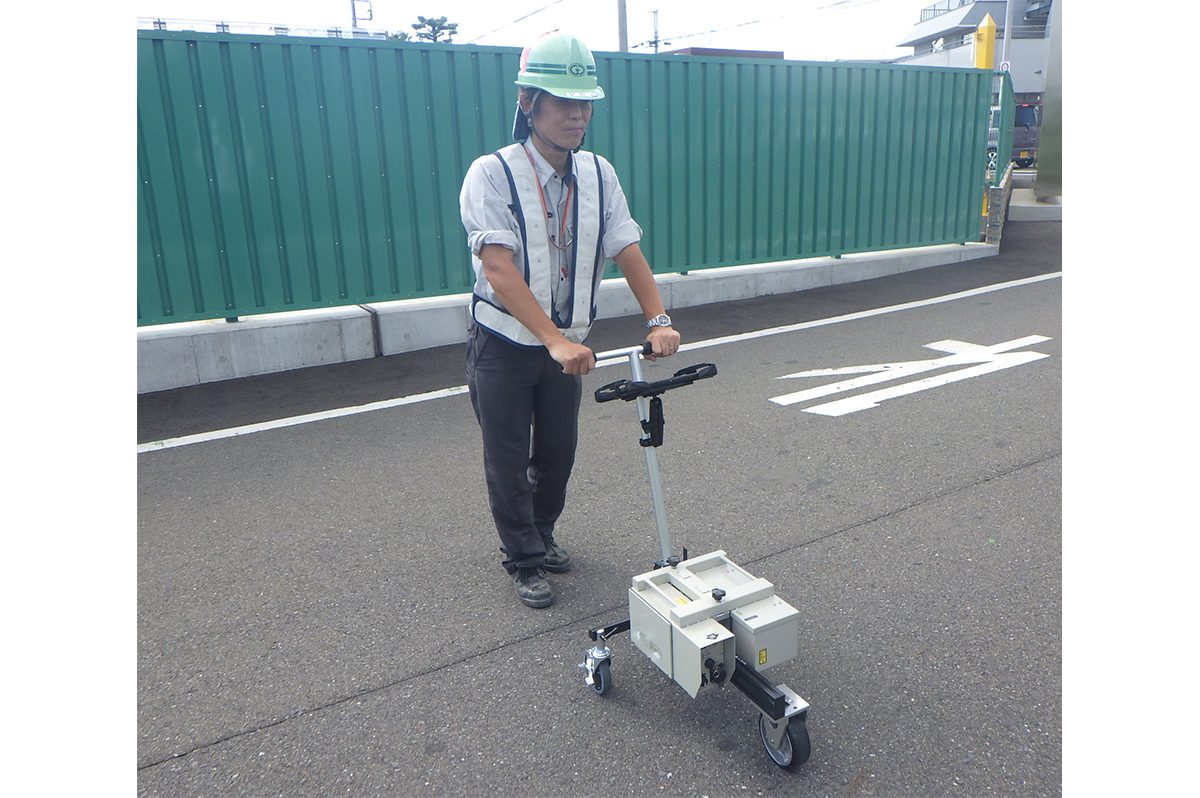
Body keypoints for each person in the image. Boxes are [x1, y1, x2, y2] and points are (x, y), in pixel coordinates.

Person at [459, 30, 681, 609]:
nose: (577, 115)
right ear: (528, 103)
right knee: (507, 456)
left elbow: (626, 249)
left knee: (557, 451)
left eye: (584, 103)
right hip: (505, 343)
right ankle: (523, 557)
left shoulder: (600, 175)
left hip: (567, 345)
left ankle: (543, 531)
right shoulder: (491, 174)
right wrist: (552, 339)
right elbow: (500, 270)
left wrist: (657, 317)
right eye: (563, 102)